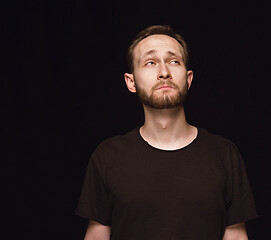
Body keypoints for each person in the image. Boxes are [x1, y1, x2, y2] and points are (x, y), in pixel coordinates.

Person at [76, 25, 258, 240]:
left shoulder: (224, 154)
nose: (164, 72)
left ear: (188, 79)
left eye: (174, 61)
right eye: (150, 62)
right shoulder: (106, 156)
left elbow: (236, 237)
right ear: (131, 82)